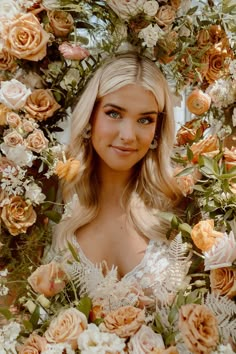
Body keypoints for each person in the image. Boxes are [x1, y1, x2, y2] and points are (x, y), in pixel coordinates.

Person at [50, 51, 184, 302]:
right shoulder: (48, 197)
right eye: (114, 114)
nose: (128, 135)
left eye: (145, 120)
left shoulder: (179, 201)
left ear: (157, 130)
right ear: (91, 116)